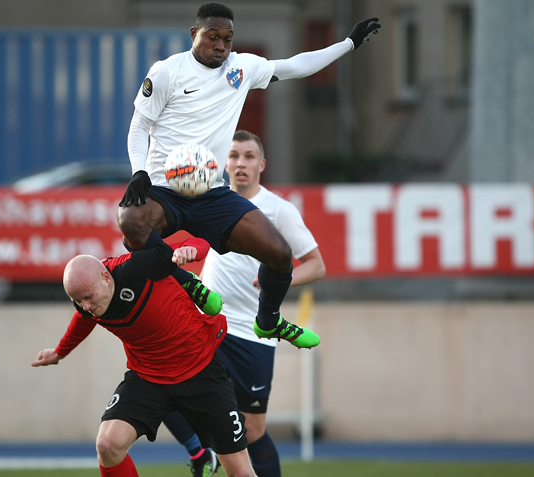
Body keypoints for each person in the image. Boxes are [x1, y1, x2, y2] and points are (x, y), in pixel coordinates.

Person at [118, 2, 379, 350]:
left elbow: (295, 66)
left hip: (211, 191)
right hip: (165, 188)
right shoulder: (167, 72)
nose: (221, 46)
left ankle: (268, 320)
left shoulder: (241, 68)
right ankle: (188, 282)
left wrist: (347, 43)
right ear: (195, 34)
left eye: (227, 39)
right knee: (131, 222)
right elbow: (140, 127)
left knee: (280, 254)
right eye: (213, 37)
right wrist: (138, 172)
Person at [164, 130, 326, 476]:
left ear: (261, 164)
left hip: (253, 332)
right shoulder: (210, 199)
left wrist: (279, 277)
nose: (240, 162)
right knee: (162, 386)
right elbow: (203, 242)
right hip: (206, 322)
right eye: (234, 155)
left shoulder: (279, 210)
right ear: (223, 162)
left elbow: (316, 265)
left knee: (251, 431)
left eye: (249, 156)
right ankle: (198, 453)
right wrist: (185, 251)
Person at [31, 235, 256, 477]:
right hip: (149, 378)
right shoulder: (88, 302)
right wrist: (59, 352)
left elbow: (201, 241)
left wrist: (190, 250)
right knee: (108, 444)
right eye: (78, 301)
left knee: (240, 473)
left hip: (201, 372)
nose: (85, 305)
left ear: (106, 278)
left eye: (88, 297)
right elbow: (83, 320)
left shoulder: (138, 266)